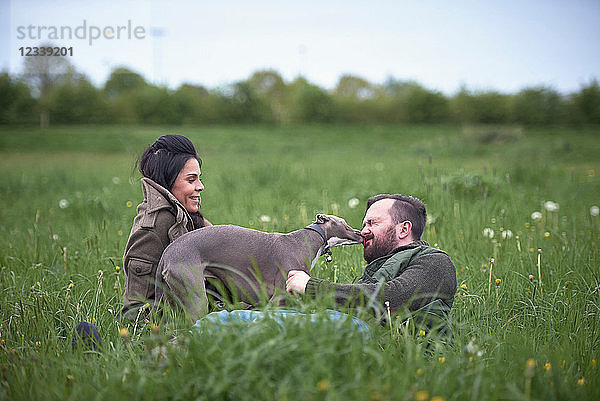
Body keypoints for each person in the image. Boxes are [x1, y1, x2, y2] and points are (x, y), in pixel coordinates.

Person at [286, 194, 457, 330]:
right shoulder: (378, 268)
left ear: (403, 229)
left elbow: (393, 297)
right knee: (267, 319)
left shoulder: (435, 261)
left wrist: (311, 287)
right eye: (364, 224)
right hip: (351, 332)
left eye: (372, 223)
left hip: (374, 341)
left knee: (268, 324)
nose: (363, 231)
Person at [121, 134, 211, 322]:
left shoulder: (188, 218)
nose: (200, 187)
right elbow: (135, 310)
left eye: (199, 179)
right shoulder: (153, 228)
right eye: (191, 180)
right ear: (168, 181)